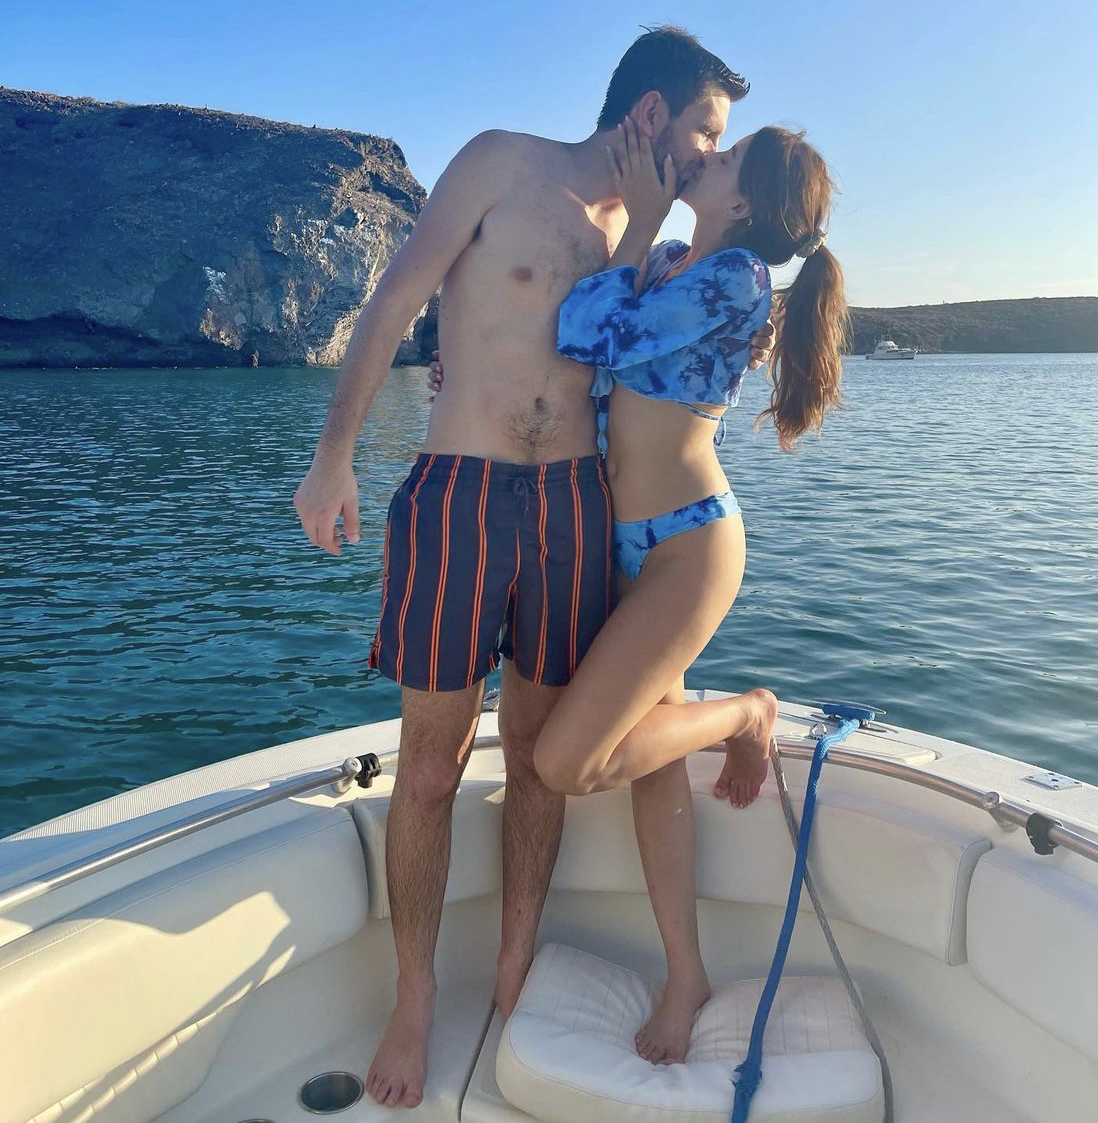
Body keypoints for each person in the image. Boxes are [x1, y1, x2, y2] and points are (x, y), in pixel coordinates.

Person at [292, 27, 774, 1109]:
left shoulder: (656, 246)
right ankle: (416, 992)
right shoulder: (502, 163)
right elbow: (394, 302)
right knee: (430, 762)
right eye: (706, 130)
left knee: (535, 754)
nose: (709, 153)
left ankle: (513, 962)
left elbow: (668, 384)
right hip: (459, 492)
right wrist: (333, 458)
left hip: (576, 505)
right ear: (650, 114)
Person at [528, 119, 848, 1060]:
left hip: (687, 547)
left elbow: (586, 332)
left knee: (568, 762)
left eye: (727, 155)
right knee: (650, 762)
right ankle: (685, 975)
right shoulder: (676, 260)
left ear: (742, 203)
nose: (706, 154)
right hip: (624, 548)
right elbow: (582, 349)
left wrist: (636, 218)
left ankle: (748, 712)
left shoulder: (734, 278)